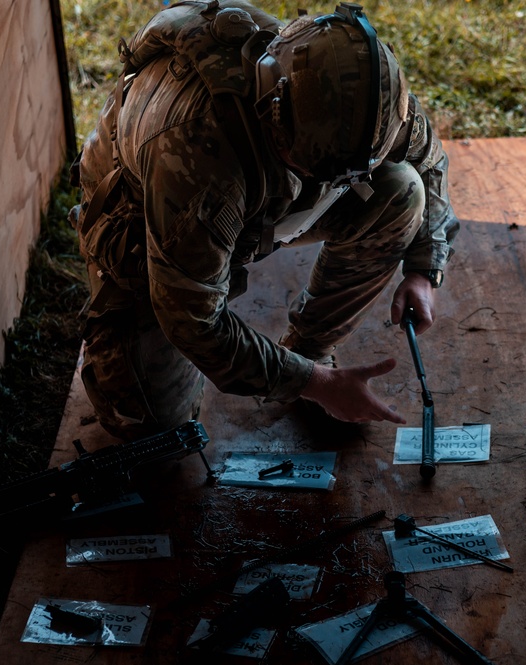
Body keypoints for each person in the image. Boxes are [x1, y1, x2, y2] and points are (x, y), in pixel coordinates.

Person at [70, 0, 459, 440]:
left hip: (249, 194)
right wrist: (320, 386)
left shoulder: (356, 91)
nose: (331, 185)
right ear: (274, 116)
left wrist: (425, 268)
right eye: (315, 169)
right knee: (151, 426)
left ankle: (309, 349)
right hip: (146, 220)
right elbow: (195, 323)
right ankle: (301, 376)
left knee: (402, 190)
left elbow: (427, 160)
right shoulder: (197, 157)